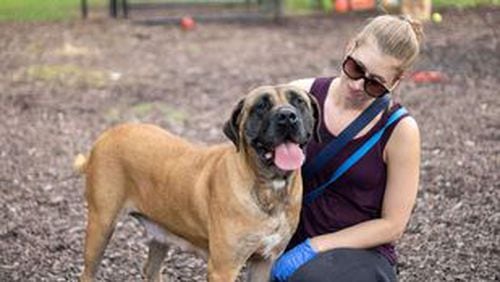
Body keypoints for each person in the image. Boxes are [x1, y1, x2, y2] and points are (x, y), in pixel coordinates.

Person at [271, 15, 424, 281]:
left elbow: (392, 225)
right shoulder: (299, 95)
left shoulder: (400, 130)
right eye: (355, 68)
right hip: (285, 239)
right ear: (349, 47)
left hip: (360, 253)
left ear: (396, 81)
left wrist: (315, 246)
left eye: (374, 83)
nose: (356, 85)